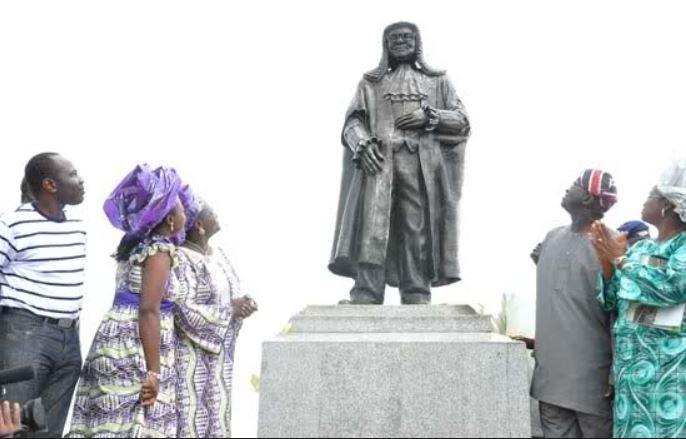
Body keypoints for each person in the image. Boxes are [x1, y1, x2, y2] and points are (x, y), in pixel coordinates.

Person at [329, 22, 471, 305]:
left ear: (417, 42)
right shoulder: (370, 83)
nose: (401, 41)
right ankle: (367, 290)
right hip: (378, 163)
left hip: (420, 165)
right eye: (394, 38)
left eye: (407, 36)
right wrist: (362, 143)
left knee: (415, 227)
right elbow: (352, 122)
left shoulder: (438, 82)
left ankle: (416, 290)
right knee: (372, 227)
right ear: (386, 45)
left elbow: (462, 121)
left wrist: (430, 116)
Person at [67, 164, 186, 438]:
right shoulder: (160, 250)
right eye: (179, 206)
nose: (184, 212)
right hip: (136, 347)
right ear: (169, 218)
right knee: (135, 423)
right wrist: (154, 372)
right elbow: (148, 310)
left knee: (107, 424)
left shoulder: (134, 245)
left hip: (113, 340)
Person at [592, 159, 686, 438]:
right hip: (631, 374)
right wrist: (607, 264)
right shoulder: (641, 247)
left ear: (666, 205)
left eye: (649, 197)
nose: (644, 203)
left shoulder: (682, 246)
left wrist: (620, 261)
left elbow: (675, 286)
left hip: (668, 374)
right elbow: (610, 302)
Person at [526, 169, 617, 438]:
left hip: (593, 380)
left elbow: (620, 310)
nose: (568, 188)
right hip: (550, 376)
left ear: (589, 198)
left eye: (575, 184)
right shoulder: (552, 237)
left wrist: (615, 371)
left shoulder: (611, 243)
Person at [0, 153, 86, 438]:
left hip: (69, 339)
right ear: (50, 184)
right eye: (73, 174)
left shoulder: (77, 227)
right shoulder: (12, 224)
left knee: (46, 430)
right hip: (25, 335)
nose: (81, 180)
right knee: (13, 426)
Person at [175, 189, 257, 437]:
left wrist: (243, 304)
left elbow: (230, 293)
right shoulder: (180, 259)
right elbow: (181, 307)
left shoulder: (217, 254)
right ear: (199, 224)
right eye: (211, 211)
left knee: (217, 417)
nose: (217, 213)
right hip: (190, 355)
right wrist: (227, 310)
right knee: (190, 418)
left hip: (221, 354)